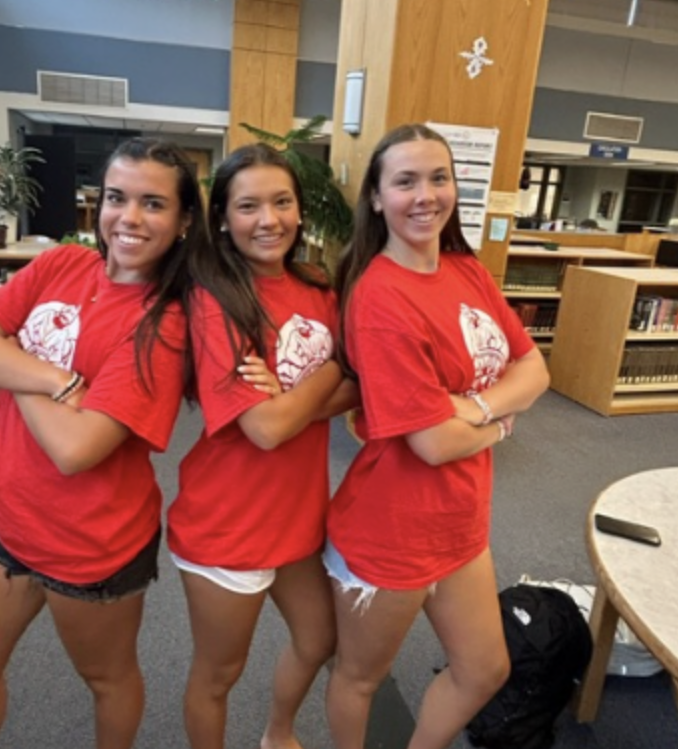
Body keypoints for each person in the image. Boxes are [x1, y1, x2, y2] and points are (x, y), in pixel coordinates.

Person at [0, 137, 207, 749]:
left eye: (153, 203)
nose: (129, 218)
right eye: (116, 198)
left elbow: (77, 449)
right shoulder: (62, 264)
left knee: (107, 679)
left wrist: (10, 358)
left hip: (93, 543)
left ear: (184, 219)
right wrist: (54, 377)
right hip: (9, 518)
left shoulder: (165, 321)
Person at [324, 124, 550, 749]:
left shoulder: (466, 271)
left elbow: (537, 369)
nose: (425, 195)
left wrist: (472, 408)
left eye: (439, 177)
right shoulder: (378, 296)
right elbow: (431, 444)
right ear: (376, 197)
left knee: (485, 670)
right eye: (405, 181)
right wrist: (505, 416)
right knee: (360, 678)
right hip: (389, 534)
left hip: (459, 520)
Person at [167, 143, 357, 749]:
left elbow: (363, 387)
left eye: (282, 202)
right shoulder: (214, 297)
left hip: (299, 517)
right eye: (248, 206)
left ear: (301, 212)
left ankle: (278, 734)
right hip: (228, 524)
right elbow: (265, 430)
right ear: (222, 218)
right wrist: (330, 370)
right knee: (219, 674)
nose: (268, 219)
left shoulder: (318, 286)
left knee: (319, 640)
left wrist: (291, 396)